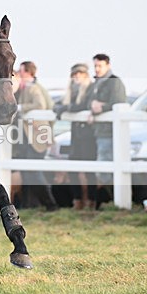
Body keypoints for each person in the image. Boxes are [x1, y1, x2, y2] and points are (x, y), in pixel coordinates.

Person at [14, 61, 57, 211]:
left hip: (37, 135)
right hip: (30, 135)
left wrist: (22, 108)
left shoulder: (34, 88)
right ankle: (31, 204)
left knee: (35, 172)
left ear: (28, 73)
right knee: (28, 172)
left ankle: (50, 204)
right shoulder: (28, 87)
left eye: (22, 71)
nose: (20, 74)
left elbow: (40, 106)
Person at [54, 63, 96, 209]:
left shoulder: (91, 88)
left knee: (89, 170)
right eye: (75, 74)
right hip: (76, 135)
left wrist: (65, 109)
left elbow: (83, 106)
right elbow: (57, 104)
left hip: (89, 135)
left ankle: (91, 200)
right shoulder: (71, 90)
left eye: (80, 74)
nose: (77, 77)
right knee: (72, 167)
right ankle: (77, 199)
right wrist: (61, 108)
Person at [88, 54, 127, 208]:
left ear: (108, 65)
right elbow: (90, 102)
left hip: (110, 132)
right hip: (99, 132)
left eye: (100, 66)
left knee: (106, 169)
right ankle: (108, 202)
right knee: (103, 168)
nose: (97, 69)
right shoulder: (97, 83)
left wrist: (101, 107)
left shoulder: (114, 82)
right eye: (95, 66)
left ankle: (110, 202)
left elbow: (118, 103)